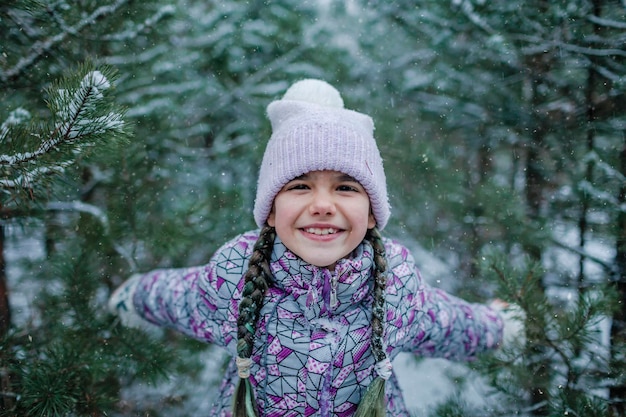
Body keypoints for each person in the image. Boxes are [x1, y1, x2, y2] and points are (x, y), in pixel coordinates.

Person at [109, 79, 516, 417]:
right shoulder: (235, 275)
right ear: (270, 210)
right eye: (300, 186)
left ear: (372, 213)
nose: (322, 205)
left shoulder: (395, 285)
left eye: (345, 187)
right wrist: (135, 295)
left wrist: (498, 326)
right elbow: (180, 297)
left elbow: (446, 322)